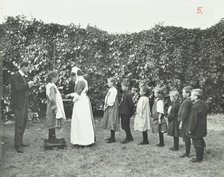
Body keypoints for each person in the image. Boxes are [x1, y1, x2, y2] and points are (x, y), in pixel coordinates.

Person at [10, 61, 34, 153]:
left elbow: (22, 89)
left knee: (23, 122)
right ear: (23, 67)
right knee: (19, 123)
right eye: (28, 67)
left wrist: (28, 85)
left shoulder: (22, 77)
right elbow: (17, 88)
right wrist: (28, 84)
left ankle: (19, 141)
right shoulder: (15, 76)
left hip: (24, 103)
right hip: (18, 104)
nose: (28, 69)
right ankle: (18, 145)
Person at [70, 80, 95, 147]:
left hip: (78, 112)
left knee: (78, 124)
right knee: (85, 124)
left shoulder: (78, 96)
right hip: (84, 112)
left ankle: (78, 140)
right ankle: (86, 140)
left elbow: (74, 100)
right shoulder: (84, 97)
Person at [45, 71, 66, 143]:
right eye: (56, 77)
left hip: (49, 105)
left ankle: (52, 138)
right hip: (52, 106)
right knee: (52, 121)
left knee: (51, 120)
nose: (57, 79)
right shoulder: (52, 86)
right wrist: (55, 108)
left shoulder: (48, 85)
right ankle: (52, 139)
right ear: (52, 78)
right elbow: (53, 98)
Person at [187, 89, 207, 163]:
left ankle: (198, 159)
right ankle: (200, 157)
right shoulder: (202, 103)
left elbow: (193, 119)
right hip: (202, 127)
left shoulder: (195, 106)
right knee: (200, 142)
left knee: (196, 143)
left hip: (196, 128)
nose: (190, 96)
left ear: (196, 97)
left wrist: (190, 129)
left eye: (191, 95)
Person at [102, 77, 120, 143]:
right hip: (109, 107)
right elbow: (107, 97)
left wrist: (107, 105)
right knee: (109, 122)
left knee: (112, 121)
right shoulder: (110, 89)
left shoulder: (114, 90)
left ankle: (113, 138)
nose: (108, 83)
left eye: (109, 82)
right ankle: (111, 136)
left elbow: (111, 100)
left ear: (112, 83)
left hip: (112, 107)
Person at [178, 86, 192, 158]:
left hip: (186, 122)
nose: (182, 94)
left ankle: (187, 153)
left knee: (186, 137)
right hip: (188, 121)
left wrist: (181, 122)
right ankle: (187, 152)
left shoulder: (186, 101)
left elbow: (184, 113)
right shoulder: (190, 101)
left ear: (188, 93)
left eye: (183, 92)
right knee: (187, 137)